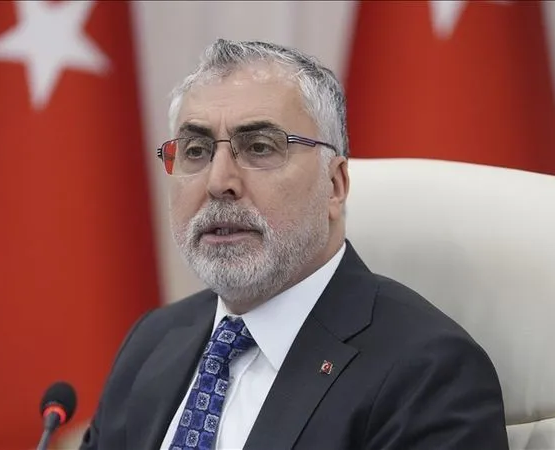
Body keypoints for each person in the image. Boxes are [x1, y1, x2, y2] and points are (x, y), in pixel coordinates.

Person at [80, 39, 508, 450]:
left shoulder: (428, 372)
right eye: (195, 151)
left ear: (334, 185)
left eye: (259, 147)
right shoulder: (152, 342)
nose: (218, 182)